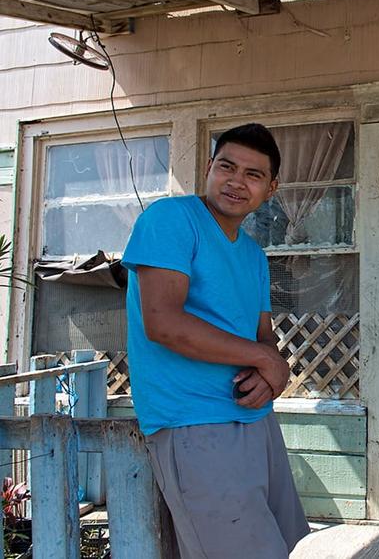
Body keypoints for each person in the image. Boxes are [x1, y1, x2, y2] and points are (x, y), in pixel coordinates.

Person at [122, 123, 309, 558]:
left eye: (253, 174)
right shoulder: (171, 219)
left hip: (254, 418)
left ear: (271, 188)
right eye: (227, 166)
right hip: (193, 423)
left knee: (288, 546)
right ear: (209, 168)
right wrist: (268, 360)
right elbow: (163, 322)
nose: (236, 181)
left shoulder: (253, 254)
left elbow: (262, 336)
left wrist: (270, 373)